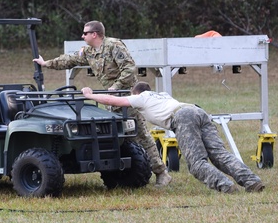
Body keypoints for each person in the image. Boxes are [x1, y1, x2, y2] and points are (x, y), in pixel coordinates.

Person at [34, 20, 172, 187]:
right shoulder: (89, 51)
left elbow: (129, 69)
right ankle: (120, 173)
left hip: (127, 97)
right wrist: (46, 63)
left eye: (85, 33)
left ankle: (161, 173)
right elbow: (69, 60)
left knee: (139, 134)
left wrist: (116, 86)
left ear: (94, 34)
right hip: (110, 99)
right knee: (114, 135)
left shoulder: (114, 46)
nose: (82, 36)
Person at [82, 82, 265, 194]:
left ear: (135, 92)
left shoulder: (142, 97)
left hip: (183, 117)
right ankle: (252, 182)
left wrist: (90, 95)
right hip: (198, 111)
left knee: (197, 163)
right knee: (219, 154)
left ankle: (226, 187)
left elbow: (115, 101)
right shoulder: (162, 95)